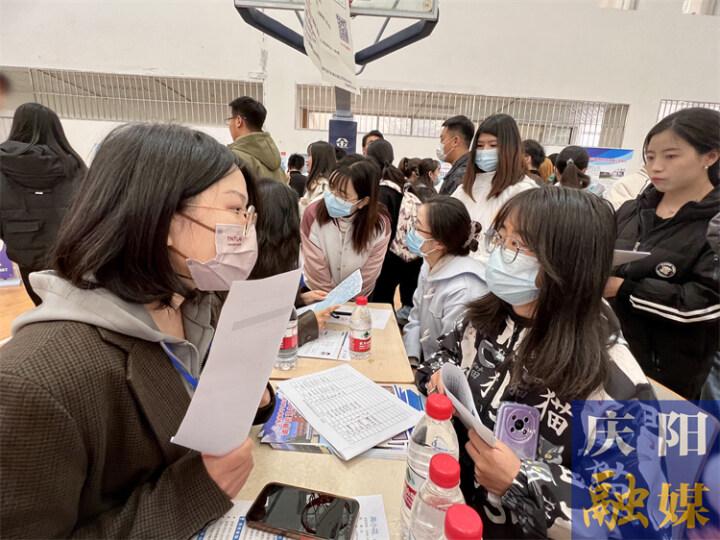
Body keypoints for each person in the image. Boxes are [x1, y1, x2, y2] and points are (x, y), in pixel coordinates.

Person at [0, 123, 273, 537]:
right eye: (235, 210)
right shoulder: (33, 384)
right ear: (162, 217)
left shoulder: (194, 302)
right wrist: (196, 491)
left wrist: (249, 399)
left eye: (248, 214)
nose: (246, 230)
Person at [418, 188, 653, 539]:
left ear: (568, 262)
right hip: (452, 510)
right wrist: (436, 376)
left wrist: (522, 480)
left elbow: (631, 516)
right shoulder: (487, 318)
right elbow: (443, 354)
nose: (500, 254)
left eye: (518, 245)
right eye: (501, 239)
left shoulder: (613, 381)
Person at [607, 107, 720, 399]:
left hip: (671, 372)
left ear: (710, 156)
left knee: (656, 427)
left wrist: (624, 289)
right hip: (612, 355)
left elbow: (705, 304)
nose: (656, 167)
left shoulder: (714, 224)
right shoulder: (632, 211)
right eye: (650, 157)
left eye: (670, 156)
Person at [0, 102, 86, 305]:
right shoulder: (74, 166)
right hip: (71, 253)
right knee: (76, 311)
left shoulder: (3, 166)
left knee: (42, 308)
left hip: (26, 252)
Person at [249, 179, 337, 345]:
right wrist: (306, 325)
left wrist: (300, 300)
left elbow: (269, 307)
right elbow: (254, 335)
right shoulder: (244, 266)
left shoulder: (275, 257)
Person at [403, 196, 486, 366]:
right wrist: (411, 359)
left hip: (444, 372)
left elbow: (453, 354)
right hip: (424, 364)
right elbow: (416, 318)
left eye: (417, 226)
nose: (411, 231)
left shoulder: (464, 289)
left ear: (439, 243)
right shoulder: (428, 263)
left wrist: (420, 374)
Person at [452, 113, 537, 271]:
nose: (485, 151)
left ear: (510, 148)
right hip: (459, 273)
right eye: (479, 146)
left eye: (493, 145)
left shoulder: (523, 191)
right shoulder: (465, 189)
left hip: (496, 275)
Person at [301, 160, 391, 298]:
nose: (333, 196)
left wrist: (347, 297)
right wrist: (330, 299)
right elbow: (315, 265)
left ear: (363, 201)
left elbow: (369, 271)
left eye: (342, 195)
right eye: (331, 188)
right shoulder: (312, 214)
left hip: (358, 296)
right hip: (318, 294)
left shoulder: (379, 224)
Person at [366, 140, 423, 313]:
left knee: (380, 303)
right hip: (408, 254)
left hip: (387, 256)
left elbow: (378, 230)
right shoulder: (403, 184)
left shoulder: (382, 191)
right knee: (404, 304)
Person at [227, 96, 285, 183]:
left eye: (230, 120)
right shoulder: (277, 164)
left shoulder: (233, 159)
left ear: (238, 121)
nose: (229, 124)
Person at [438, 115, 474, 196]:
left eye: (442, 139)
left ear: (455, 141)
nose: (441, 144)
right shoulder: (464, 169)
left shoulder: (461, 175)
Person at [298, 141, 336, 217]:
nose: (307, 161)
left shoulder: (325, 188)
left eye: (310, 156)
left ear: (320, 160)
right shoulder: (314, 185)